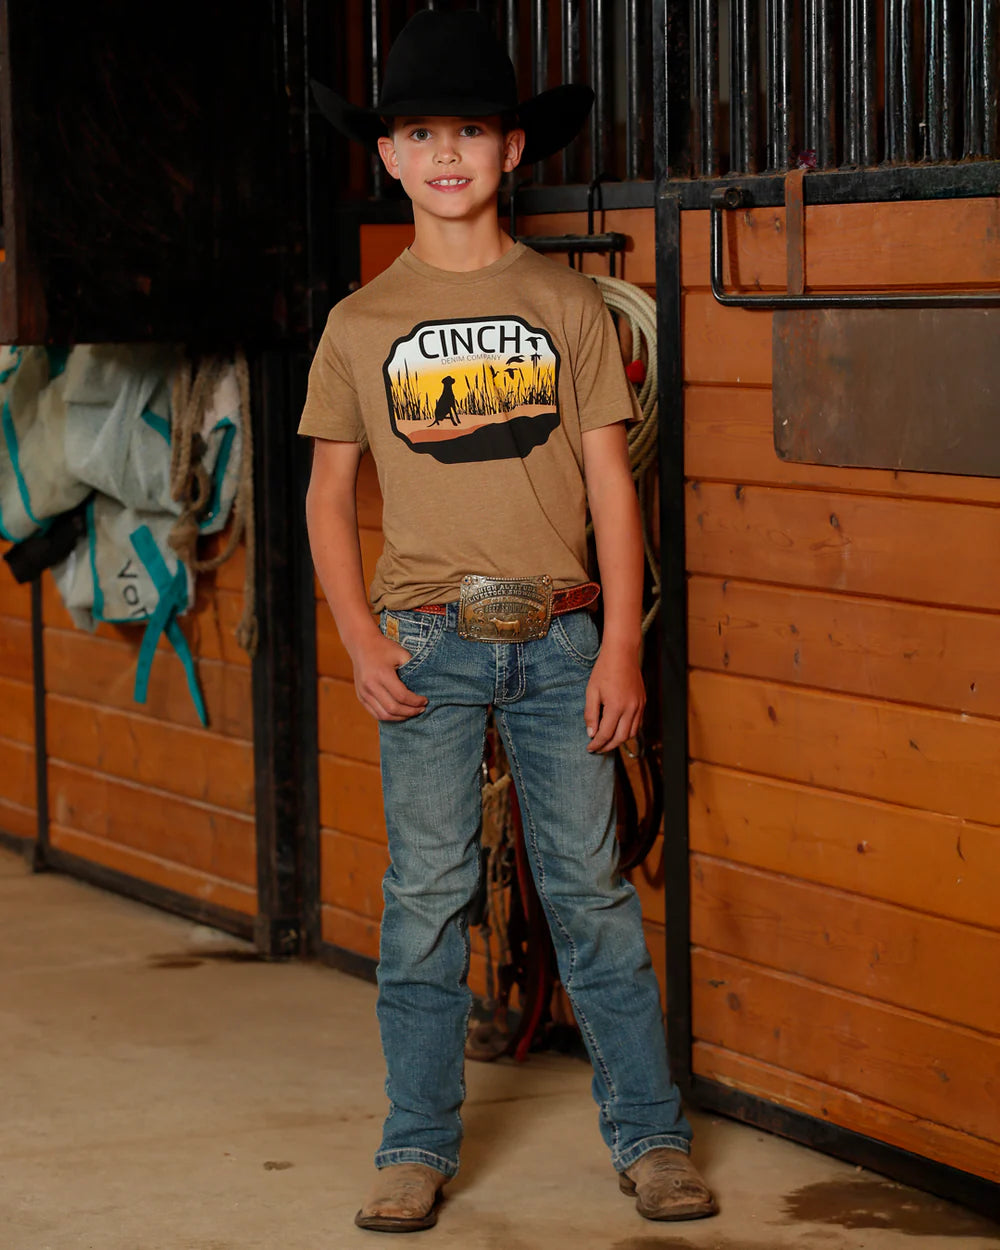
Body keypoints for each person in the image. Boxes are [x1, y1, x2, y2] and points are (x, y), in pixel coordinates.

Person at [300, 7, 718, 1234]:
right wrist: (359, 639)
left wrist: (626, 641)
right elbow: (330, 498)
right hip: (426, 643)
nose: (445, 154)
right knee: (424, 892)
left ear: (510, 149)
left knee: (588, 890)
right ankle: (414, 1143)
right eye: (418, 132)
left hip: (564, 638)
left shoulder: (569, 304)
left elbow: (607, 481)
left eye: (468, 130)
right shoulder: (358, 323)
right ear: (386, 155)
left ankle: (650, 1138)